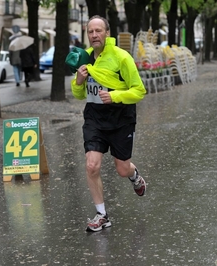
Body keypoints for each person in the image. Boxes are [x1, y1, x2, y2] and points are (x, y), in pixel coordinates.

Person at [70, 15, 147, 232]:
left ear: (107, 33)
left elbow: (139, 91)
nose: (94, 35)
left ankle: (135, 176)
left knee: (122, 169)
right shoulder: (83, 58)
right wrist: (78, 82)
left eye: (98, 31)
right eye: (90, 32)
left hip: (121, 118)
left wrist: (114, 96)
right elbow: (78, 94)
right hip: (95, 118)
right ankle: (102, 214)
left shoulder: (121, 58)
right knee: (91, 165)